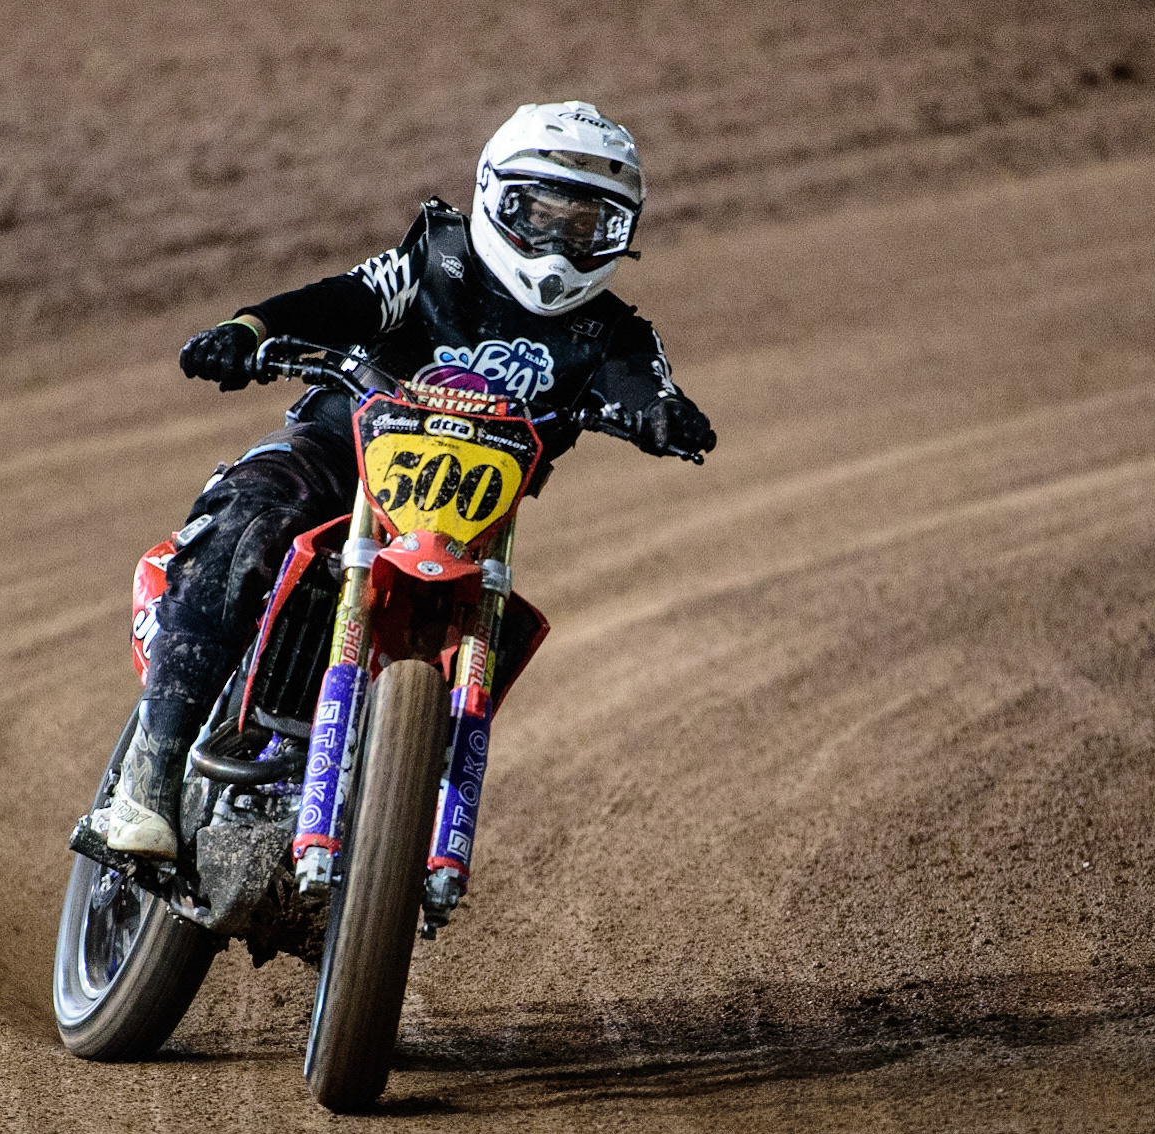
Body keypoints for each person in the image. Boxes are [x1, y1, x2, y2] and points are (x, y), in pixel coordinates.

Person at [102, 101, 717, 859]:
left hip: (463, 516)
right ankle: (149, 776)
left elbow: (642, 387)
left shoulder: (615, 336)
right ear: (495, 195)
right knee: (252, 517)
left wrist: (665, 414)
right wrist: (250, 330)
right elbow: (345, 298)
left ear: (621, 234)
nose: (558, 244)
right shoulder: (436, 258)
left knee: (501, 619)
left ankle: (393, 824)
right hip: (341, 445)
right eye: (539, 213)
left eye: (587, 226)